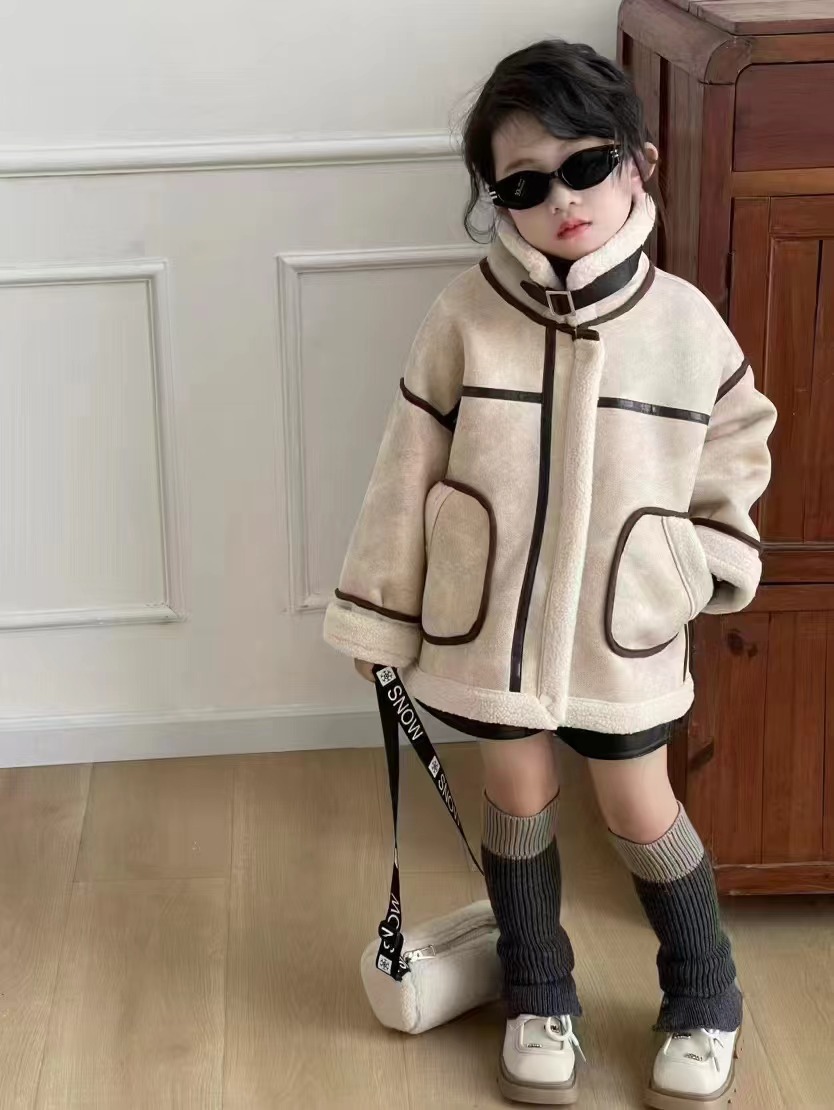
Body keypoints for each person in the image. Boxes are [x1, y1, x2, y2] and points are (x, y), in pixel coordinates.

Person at [324, 39, 776, 1109]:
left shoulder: (685, 324)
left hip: (627, 626)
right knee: (517, 794)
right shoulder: (464, 318)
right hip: (488, 624)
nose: (561, 199)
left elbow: (737, 448)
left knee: (639, 805)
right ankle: (538, 993)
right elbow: (405, 470)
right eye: (525, 185)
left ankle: (705, 995)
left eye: (586, 165)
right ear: (498, 201)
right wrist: (379, 619)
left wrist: (697, 562)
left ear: (639, 161)